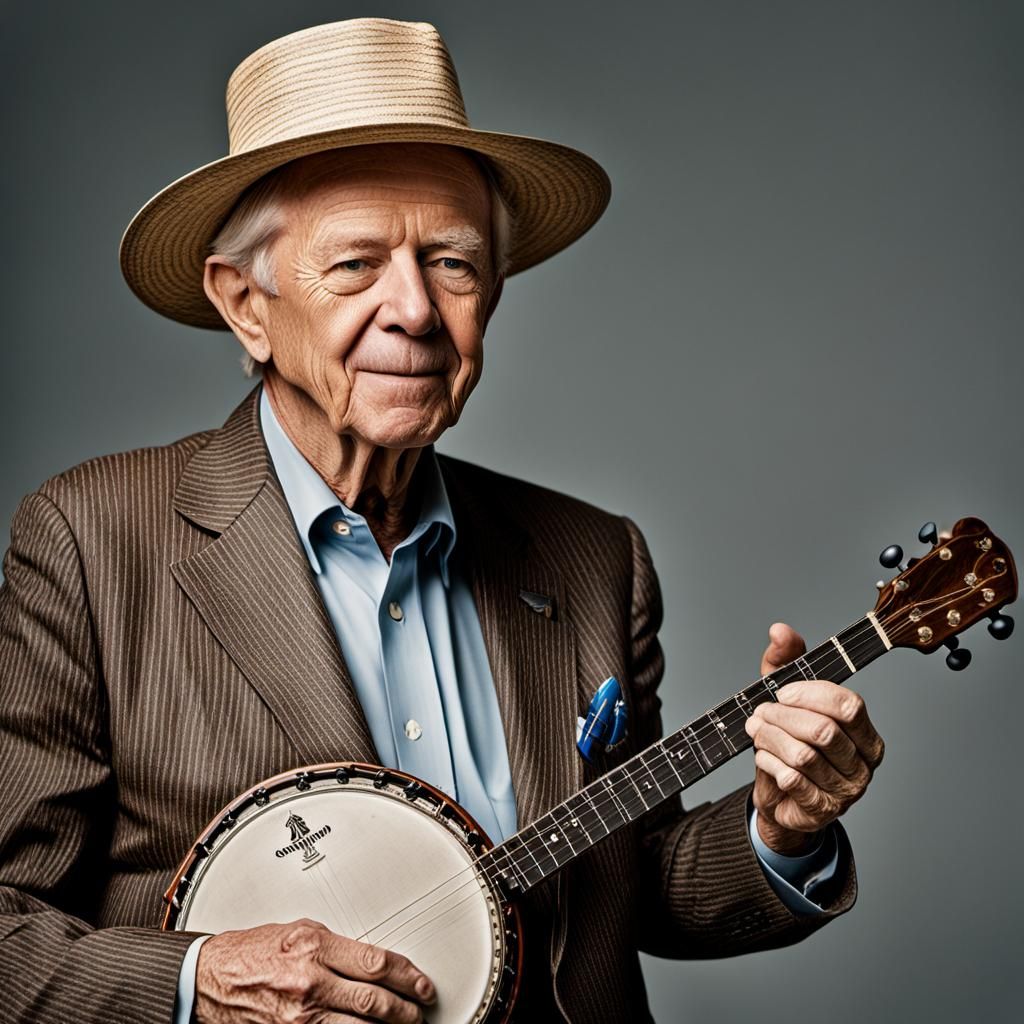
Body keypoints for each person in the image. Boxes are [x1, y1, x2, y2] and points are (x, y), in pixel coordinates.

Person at [0, 18, 884, 1024]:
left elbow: (624, 884)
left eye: (452, 264)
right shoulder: (90, 541)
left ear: (494, 294)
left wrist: (784, 825)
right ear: (245, 302)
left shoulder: (595, 558)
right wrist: (199, 983)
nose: (415, 310)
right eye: (355, 266)